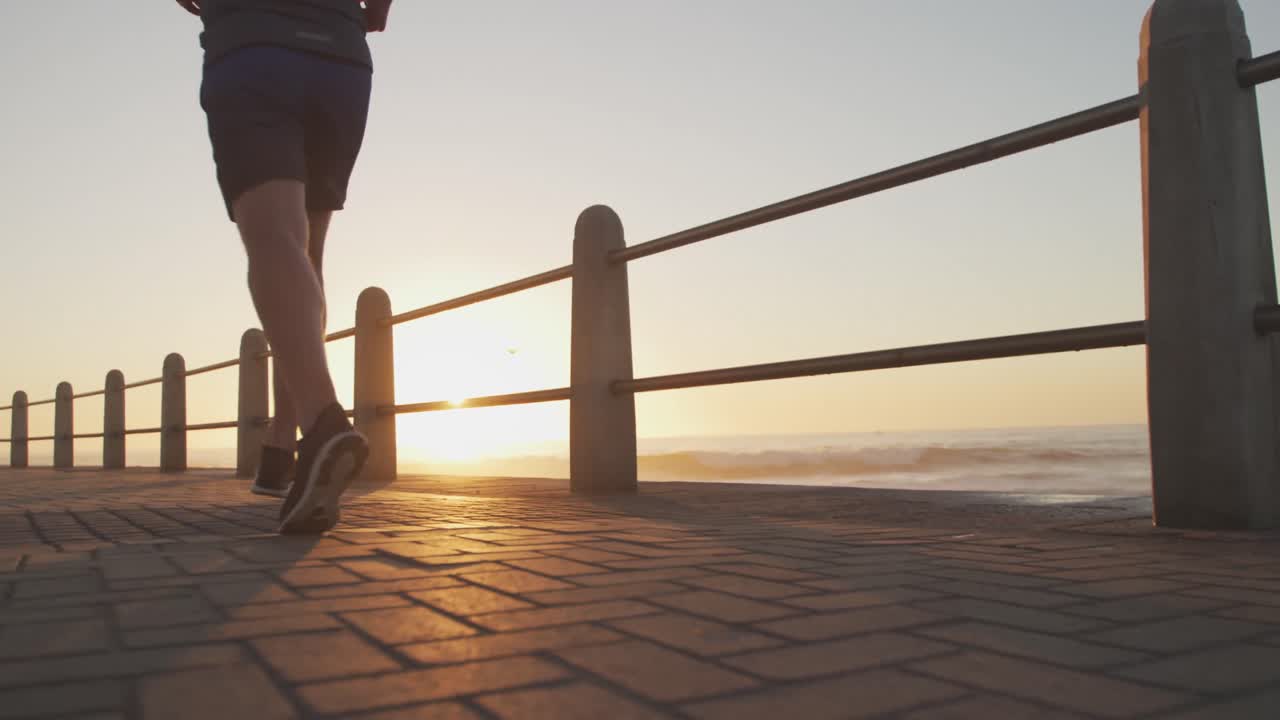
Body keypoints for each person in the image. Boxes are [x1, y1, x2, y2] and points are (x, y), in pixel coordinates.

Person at [176, 0, 393, 533]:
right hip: (341, 62)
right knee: (306, 254)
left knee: (273, 237)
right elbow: (380, 13)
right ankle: (282, 443)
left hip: (254, 51)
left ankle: (323, 425)